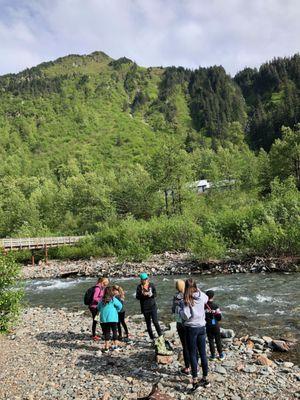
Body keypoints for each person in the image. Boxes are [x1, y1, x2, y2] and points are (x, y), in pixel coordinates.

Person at [180, 278, 210, 393]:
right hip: (202, 327)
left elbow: (185, 316)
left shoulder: (186, 299)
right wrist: (199, 291)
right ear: (196, 286)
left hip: (191, 328)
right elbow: (207, 299)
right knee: (203, 353)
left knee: (193, 353)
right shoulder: (201, 295)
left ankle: (195, 380)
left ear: (186, 288)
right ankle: (206, 378)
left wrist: (180, 310)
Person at [136, 272, 162, 341]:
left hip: (153, 306)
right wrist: (142, 294)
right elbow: (137, 297)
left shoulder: (151, 285)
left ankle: (161, 336)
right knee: (148, 324)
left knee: (155, 322)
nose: (145, 280)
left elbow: (155, 294)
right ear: (141, 280)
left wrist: (151, 294)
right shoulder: (139, 287)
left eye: (146, 279)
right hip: (145, 308)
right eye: (143, 279)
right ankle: (152, 338)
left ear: (147, 279)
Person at [172, 279, 190, 375]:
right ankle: (194, 366)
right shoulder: (189, 295)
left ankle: (187, 367)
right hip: (189, 323)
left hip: (180, 323)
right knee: (193, 345)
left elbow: (173, 309)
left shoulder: (176, 296)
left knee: (185, 346)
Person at [97, 286, 122, 352]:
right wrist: (117, 310)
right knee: (114, 331)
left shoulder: (102, 299)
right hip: (113, 318)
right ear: (111, 292)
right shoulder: (113, 299)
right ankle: (115, 346)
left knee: (106, 332)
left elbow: (98, 307)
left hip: (104, 319)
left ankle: (106, 347)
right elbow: (120, 305)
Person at [205, 290, 225, 361]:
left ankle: (213, 355)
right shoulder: (215, 306)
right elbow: (219, 317)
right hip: (215, 324)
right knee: (218, 340)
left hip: (208, 325)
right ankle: (221, 355)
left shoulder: (204, 306)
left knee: (210, 340)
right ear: (213, 296)